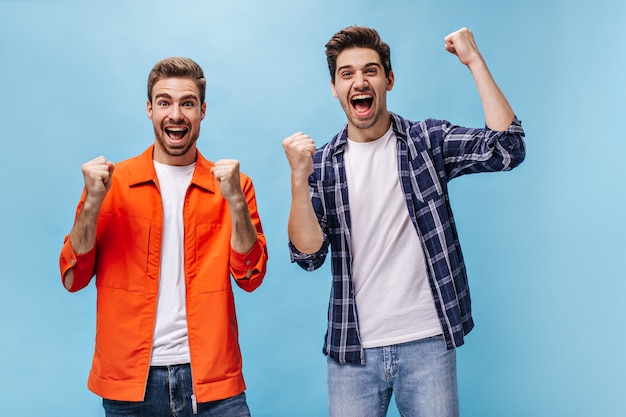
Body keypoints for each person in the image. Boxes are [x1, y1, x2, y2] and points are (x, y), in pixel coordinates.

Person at [282, 26, 525, 417]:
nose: (359, 81)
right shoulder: (322, 164)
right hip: (353, 351)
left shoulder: (426, 142)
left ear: (388, 80)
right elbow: (308, 256)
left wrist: (474, 62)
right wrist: (298, 179)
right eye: (346, 73)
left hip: (428, 343)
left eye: (371, 71)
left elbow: (508, 148)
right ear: (333, 87)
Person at [59, 57, 268, 417]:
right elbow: (72, 277)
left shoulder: (233, 186)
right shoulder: (111, 185)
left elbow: (251, 277)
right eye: (164, 102)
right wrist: (93, 202)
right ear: (149, 109)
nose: (176, 114)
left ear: (202, 111)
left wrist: (234, 200)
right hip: (132, 385)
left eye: (187, 103)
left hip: (213, 382)